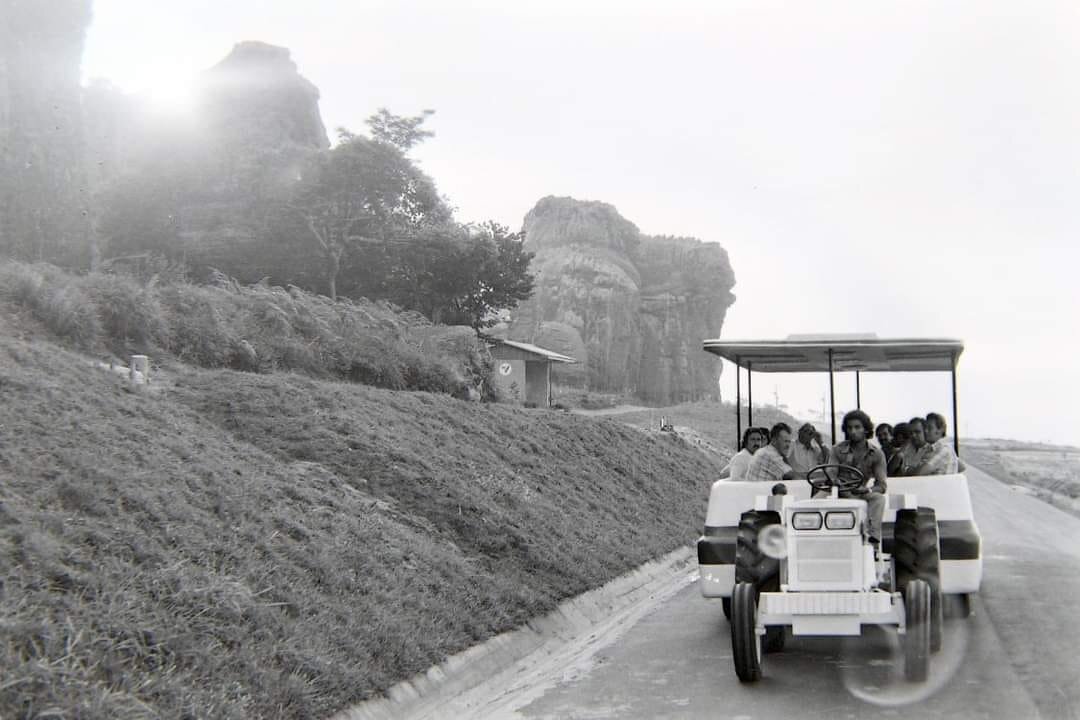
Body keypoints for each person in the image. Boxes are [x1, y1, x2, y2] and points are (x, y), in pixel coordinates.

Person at [827, 410, 887, 552]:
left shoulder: (876, 453)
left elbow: (881, 485)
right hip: (838, 491)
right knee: (814, 502)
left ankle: (872, 541)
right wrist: (835, 482)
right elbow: (831, 473)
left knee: (878, 499)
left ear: (866, 429)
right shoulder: (837, 449)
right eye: (849, 428)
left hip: (860, 492)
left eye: (857, 427)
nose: (853, 431)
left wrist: (868, 490)